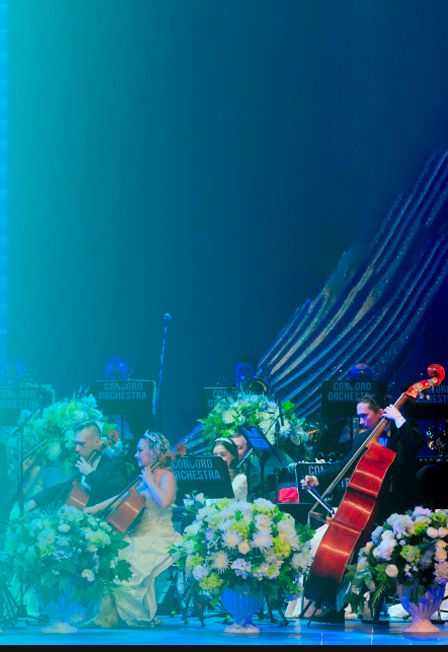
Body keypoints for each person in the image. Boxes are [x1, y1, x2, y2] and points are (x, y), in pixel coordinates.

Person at [301, 393, 424, 623]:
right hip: (368, 508)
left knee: (381, 556)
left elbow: (418, 444)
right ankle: (335, 607)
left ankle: (375, 606)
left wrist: (399, 419)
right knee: (349, 555)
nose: (360, 421)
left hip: (396, 509)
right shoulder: (363, 439)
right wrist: (317, 479)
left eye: (364, 415)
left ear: (381, 413)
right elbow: (344, 466)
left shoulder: (404, 433)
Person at [85, 431, 181, 628]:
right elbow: (121, 498)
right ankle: (110, 615)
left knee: (130, 564)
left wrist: (150, 481)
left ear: (154, 453)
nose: (136, 455)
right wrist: (92, 509)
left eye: (140, 450)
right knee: (109, 554)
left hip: (160, 537)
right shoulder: (144, 477)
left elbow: (164, 501)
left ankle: (140, 615)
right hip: (139, 534)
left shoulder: (166, 476)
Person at [25, 421, 128, 512]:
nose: (77, 449)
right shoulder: (82, 463)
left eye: (81, 444)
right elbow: (63, 488)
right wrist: (34, 501)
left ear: (97, 442)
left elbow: (117, 495)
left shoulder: (115, 465)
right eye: (75, 444)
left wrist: (90, 474)